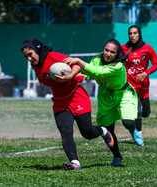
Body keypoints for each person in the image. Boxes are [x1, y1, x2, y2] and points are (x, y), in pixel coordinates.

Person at [21, 38, 114, 170]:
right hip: (60, 100)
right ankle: (75, 162)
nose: (29, 59)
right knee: (65, 131)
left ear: (37, 49)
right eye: (26, 57)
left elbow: (77, 65)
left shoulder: (53, 57)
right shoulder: (35, 65)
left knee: (87, 132)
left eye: (30, 54)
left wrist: (69, 76)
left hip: (76, 96)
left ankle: (103, 130)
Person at [63, 39, 144, 167]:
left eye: (112, 52)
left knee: (127, 122)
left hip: (123, 93)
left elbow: (98, 72)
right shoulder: (97, 59)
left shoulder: (118, 65)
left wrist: (78, 60)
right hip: (106, 95)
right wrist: (70, 75)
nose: (108, 54)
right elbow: (88, 73)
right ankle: (117, 155)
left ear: (117, 54)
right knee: (107, 130)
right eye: (106, 50)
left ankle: (133, 129)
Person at [121, 25, 157, 136]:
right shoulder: (123, 48)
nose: (132, 36)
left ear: (139, 34)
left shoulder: (147, 48)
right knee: (137, 111)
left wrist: (145, 73)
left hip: (144, 85)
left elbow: (156, 63)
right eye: (130, 33)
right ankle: (138, 134)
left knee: (146, 112)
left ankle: (136, 121)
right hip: (129, 85)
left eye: (135, 33)